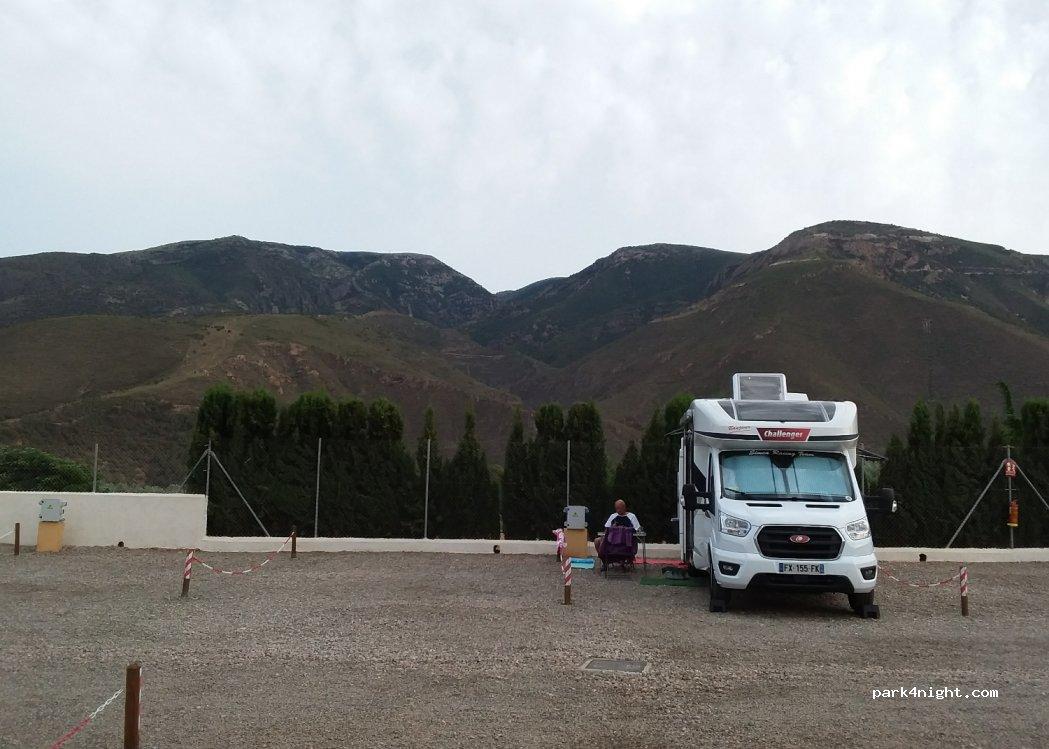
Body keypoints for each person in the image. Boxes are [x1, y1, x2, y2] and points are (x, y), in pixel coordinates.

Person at [595, 499, 641, 567]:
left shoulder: (632, 516)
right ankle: (605, 561)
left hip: (626, 542)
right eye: (616, 508)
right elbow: (607, 529)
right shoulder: (613, 516)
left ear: (624, 507)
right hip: (611, 541)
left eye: (619, 508)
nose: (617, 510)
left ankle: (624, 559)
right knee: (597, 541)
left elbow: (637, 530)